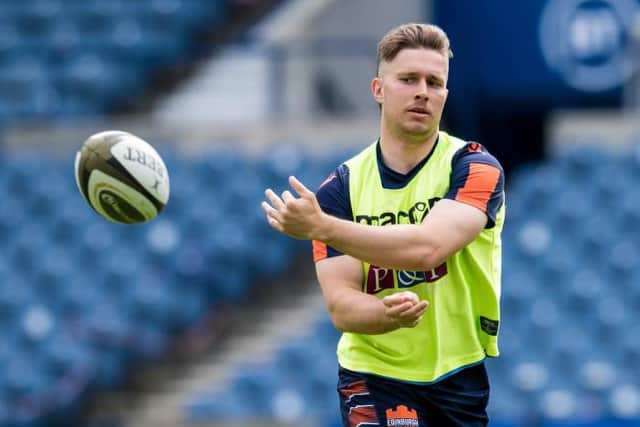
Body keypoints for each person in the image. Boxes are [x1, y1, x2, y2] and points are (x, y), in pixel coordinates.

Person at [261, 22, 505, 427]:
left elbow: (428, 249)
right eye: (408, 79)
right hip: (373, 373)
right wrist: (383, 315)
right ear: (378, 89)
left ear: (445, 94)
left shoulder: (475, 168)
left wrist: (324, 228)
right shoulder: (340, 190)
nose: (422, 91)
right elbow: (342, 307)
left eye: (435, 82)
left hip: (458, 371)